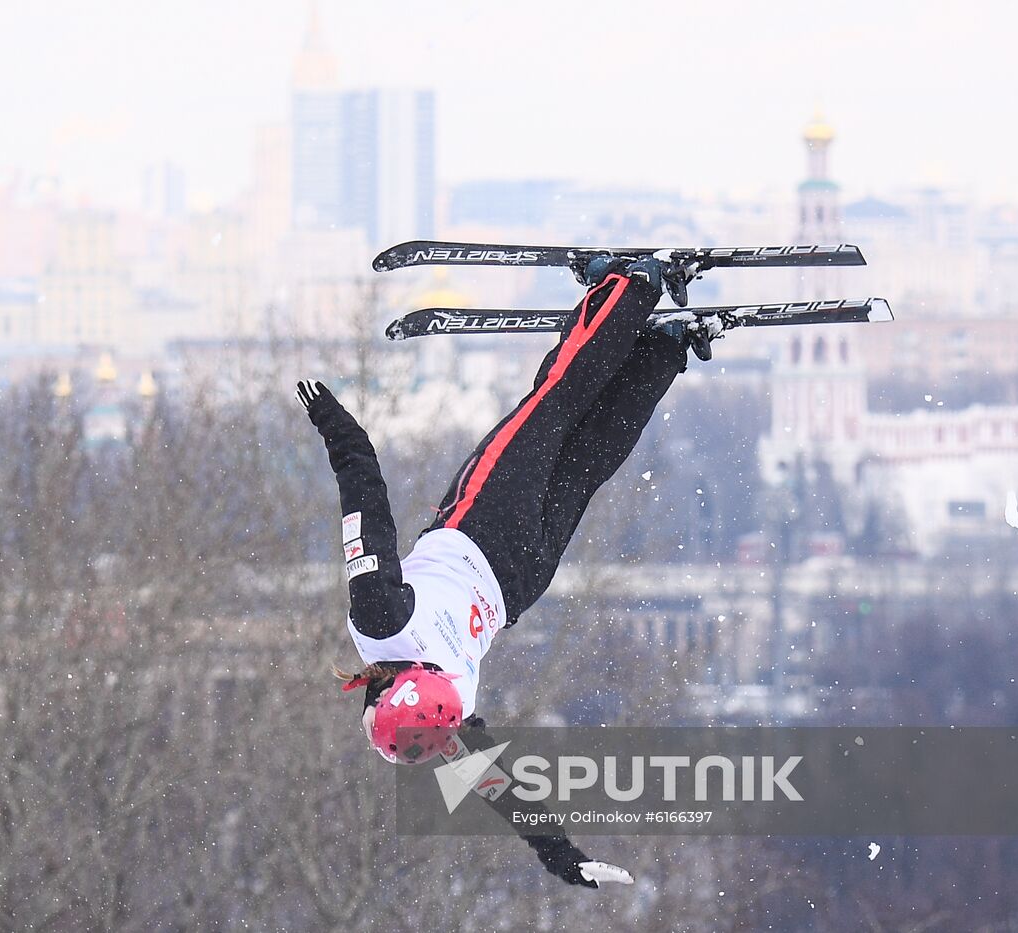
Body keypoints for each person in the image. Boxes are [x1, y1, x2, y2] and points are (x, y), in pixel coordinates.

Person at [297, 254, 722, 886]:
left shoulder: (389, 631)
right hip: (487, 530)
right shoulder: (400, 650)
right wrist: (566, 859)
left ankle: (663, 348)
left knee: (588, 456)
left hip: (520, 578)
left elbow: (505, 791)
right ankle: (633, 287)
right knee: (552, 408)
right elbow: (368, 504)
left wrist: (341, 434)